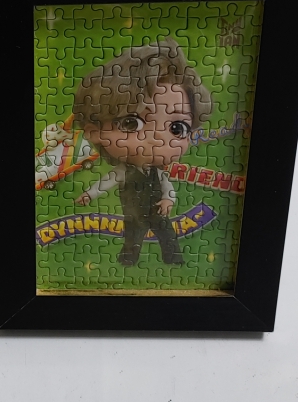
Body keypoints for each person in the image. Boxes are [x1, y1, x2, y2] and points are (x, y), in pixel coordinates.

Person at [72, 38, 211, 266]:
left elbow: (166, 186)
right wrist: (89, 194)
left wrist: (167, 199)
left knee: (167, 234)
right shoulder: (123, 171)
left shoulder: (158, 172)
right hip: (134, 214)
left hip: (157, 212)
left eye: (177, 128)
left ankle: (174, 260)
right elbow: (105, 182)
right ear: (94, 132)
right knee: (133, 239)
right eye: (131, 123)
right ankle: (127, 263)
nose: (157, 138)